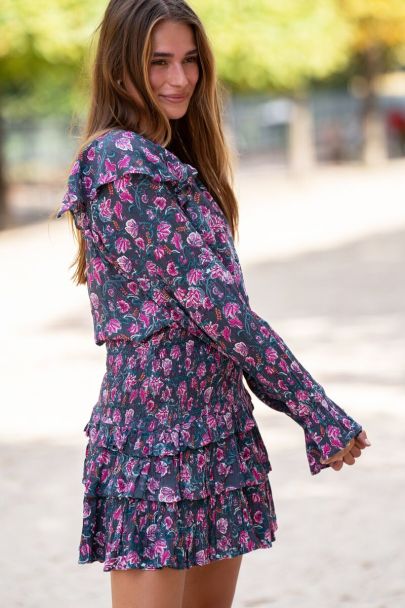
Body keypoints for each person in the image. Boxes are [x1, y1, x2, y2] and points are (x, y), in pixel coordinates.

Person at [55, 1, 371, 607]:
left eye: (190, 61)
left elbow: (221, 317)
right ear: (121, 66)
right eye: (159, 62)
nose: (179, 79)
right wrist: (313, 407)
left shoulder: (173, 157)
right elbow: (222, 311)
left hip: (216, 428)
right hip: (155, 438)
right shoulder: (120, 164)